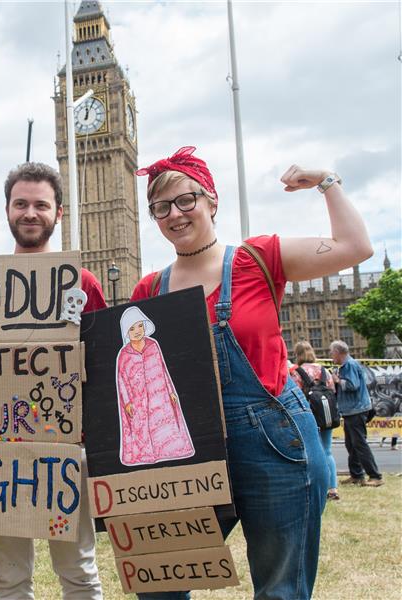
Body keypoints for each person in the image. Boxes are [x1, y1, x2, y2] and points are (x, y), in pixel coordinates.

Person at [130, 146, 373, 599]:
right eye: (160, 207)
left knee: (281, 588)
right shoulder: (149, 290)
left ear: (211, 201)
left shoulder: (257, 259)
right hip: (187, 448)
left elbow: (355, 247)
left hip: (275, 441)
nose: (174, 214)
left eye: (186, 200)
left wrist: (327, 182)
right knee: (160, 584)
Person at [0, 162, 105, 600]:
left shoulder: (83, 284)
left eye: (41, 205)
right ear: (7, 210)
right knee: (10, 577)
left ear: (58, 212)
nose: (30, 213)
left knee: (77, 571)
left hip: (65, 450)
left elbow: (102, 363)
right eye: (21, 204)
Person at [116, 306, 194, 466]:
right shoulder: (124, 355)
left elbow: (163, 370)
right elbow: (121, 380)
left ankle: (167, 452)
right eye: (132, 328)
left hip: (159, 396)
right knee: (141, 428)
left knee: (164, 425)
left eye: (140, 326)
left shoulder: (153, 345)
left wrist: (171, 391)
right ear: (126, 332)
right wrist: (127, 402)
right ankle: (145, 456)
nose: (137, 330)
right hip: (138, 399)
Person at [330, 340, 383, 487]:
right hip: (350, 410)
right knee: (351, 444)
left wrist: (337, 380)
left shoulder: (350, 365)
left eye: (332, 352)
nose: (330, 355)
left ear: (338, 352)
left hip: (356, 410)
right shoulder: (346, 365)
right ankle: (357, 475)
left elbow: (353, 385)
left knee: (359, 444)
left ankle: (375, 476)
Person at [289, 341, 339, 500]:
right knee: (327, 451)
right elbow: (333, 391)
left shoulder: (297, 372)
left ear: (297, 354)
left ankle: (318, 488)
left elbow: (294, 394)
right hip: (327, 415)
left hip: (309, 416)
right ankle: (333, 489)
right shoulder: (324, 371)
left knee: (312, 453)